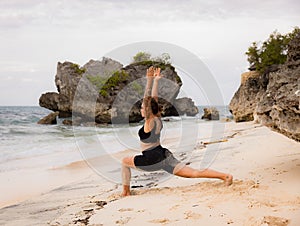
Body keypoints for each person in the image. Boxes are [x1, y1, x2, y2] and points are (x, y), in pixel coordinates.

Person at [121, 66, 233, 196]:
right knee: (192, 173)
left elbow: (148, 99)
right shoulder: (157, 119)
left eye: (142, 108)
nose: (140, 110)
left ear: (147, 110)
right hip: (164, 155)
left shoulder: (149, 121)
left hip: (151, 158)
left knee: (124, 161)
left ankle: (126, 192)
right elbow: (154, 101)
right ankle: (225, 176)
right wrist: (156, 81)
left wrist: (150, 81)